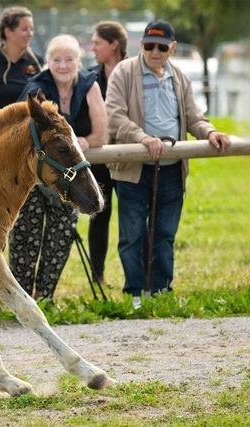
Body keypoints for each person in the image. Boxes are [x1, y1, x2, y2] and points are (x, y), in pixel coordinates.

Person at [105, 20, 230, 308]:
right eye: (149, 45)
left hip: (172, 168)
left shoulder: (179, 78)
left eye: (162, 47)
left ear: (172, 48)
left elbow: (194, 117)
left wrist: (210, 132)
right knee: (132, 234)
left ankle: (160, 293)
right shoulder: (124, 72)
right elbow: (114, 115)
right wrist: (143, 138)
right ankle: (134, 294)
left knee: (164, 234)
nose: (155, 52)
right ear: (142, 45)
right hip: (134, 167)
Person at [14, 34, 107, 300]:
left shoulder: (89, 84)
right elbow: (25, 133)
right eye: (57, 59)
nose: (63, 65)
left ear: (79, 61)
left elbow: (101, 134)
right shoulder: (36, 87)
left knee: (62, 233)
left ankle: (45, 297)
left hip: (71, 175)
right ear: (47, 62)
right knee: (26, 235)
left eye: (69, 59)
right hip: (38, 173)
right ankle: (20, 299)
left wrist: (83, 142)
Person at [87, 21, 128, 285]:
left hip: (129, 155)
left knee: (131, 217)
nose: (93, 48)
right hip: (101, 157)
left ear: (113, 44)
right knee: (100, 215)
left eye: (97, 43)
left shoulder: (134, 72)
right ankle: (98, 274)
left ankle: (133, 278)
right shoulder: (90, 77)